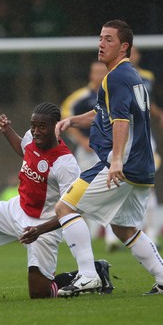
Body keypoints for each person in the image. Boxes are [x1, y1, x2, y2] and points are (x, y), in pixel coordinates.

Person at [23, 20, 163, 297]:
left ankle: (87, 275)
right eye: (100, 38)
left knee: (65, 208)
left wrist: (116, 160)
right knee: (124, 228)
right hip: (141, 169)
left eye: (109, 39)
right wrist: (73, 120)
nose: (101, 43)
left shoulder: (117, 77)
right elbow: (103, 113)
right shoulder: (129, 76)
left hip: (122, 166)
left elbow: (120, 120)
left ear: (124, 47)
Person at [0, 103, 113, 302]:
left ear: (56, 126)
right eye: (33, 125)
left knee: (39, 294)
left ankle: (96, 271)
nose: (36, 131)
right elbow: (25, 149)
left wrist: (39, 230)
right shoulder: (32, 137)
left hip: (44, 224)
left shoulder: (66, 164)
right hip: (16, 208)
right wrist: (7, 131)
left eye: (42, 126)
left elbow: (73, 211)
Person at [104, 46, 163, 251]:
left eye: (136, 52)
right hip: (119, 138)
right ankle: (112, 237)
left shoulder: (147, 77)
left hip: (143, 140)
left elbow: (147, 102)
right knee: (113, 185)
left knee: (147, 187)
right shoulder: (113, 77)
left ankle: (151, 233)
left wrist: (159, 114)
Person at [61, 60, 108, 239]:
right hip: (88, 152)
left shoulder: (115, 94)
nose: (101, 75)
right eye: (97, 72)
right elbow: (66, 118)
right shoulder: (80, 97)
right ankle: (83, 232)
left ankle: (112, 238)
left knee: (111, 190)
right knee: (80, 191)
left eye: (104, 71)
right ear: (91, 75)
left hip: (110, 151)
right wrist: (82, 140)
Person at [26, 0, 69, 103]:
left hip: (54, 54)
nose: (36, 0)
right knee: (38, 78)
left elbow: (64, 26)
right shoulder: (31, 14)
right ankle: (35, 102)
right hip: (39, 54)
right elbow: (27, 30)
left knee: (57, 77)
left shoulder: (54, 11)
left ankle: (65, 100)